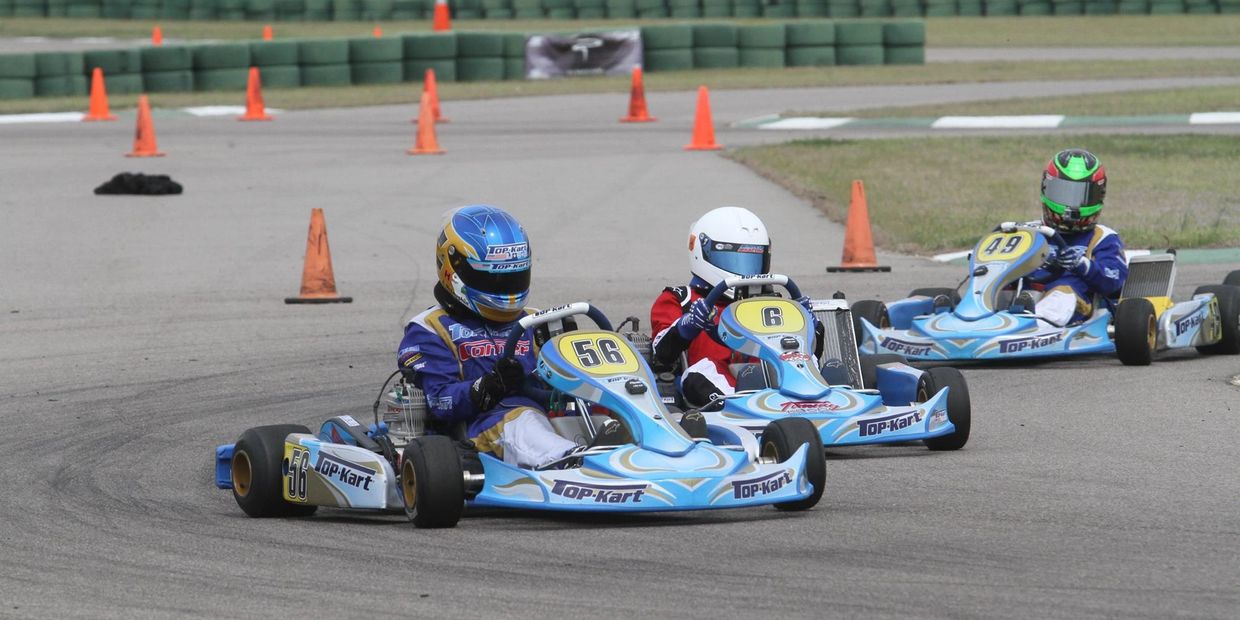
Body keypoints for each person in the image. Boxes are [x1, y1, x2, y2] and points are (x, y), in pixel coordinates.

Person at [397, 205, 580, 469]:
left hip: (553, 420)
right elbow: (440, 401)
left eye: (514, 277)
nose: (505, 289)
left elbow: (561, 387)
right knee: (522, 420)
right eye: (494, 280)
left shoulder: (538, 320)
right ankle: (570, 462)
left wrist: (571, 360)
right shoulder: (429, 329)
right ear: (454, 271)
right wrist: (487, 387)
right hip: (484, 428)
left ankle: (636, 453)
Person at [650, 207, 812, 408]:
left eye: (753, 260)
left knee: (816, 361)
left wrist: (811, 325)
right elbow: (661, 354)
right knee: (700, 371)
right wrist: (687, 325)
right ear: (703, 252)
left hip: (772, 378)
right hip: (713, 387)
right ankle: (743, 407)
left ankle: (821, 400)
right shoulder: (681, 299)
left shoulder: (770, 301)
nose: (745, 271)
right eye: (733, 258)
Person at [1023, 148, 1128, 326]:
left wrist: (1083, 265)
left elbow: (1115, 280)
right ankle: (972, 318)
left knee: (1062, 292)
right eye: (1063, 192)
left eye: (1081, 194)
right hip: (1024, 297)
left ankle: (1034, 324)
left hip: (1075, 304)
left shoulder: (1103, 238)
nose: (1070, 204)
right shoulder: (1028, 232)